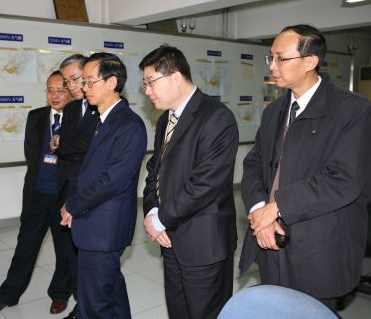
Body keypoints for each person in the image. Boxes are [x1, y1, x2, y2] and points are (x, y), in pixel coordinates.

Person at [239, 24, 371, 311]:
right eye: (270, 58)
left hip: (319, 248)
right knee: (276, 311)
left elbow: (343, 180)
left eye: (280, 58)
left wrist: (276, 207)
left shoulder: (353, 111)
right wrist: (259, 211)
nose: (272, 66)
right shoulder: (275, 110)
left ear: (310, 62)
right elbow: (253, 164)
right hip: (271, 240)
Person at [140, 45, 239, 319]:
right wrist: (151, 211)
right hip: (170, 238)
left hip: (203, 242)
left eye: (151, 82)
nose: (147, 91)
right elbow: (154, 171)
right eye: (144, 83)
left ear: (175, 77)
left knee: (205, 312)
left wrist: (161, 219)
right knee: (179, 310)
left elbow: (205, 184)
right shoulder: (165, 120)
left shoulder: (216, 117)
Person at [60, 52, 147, 319]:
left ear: (111, 82)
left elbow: (112, 180)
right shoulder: (102, 119)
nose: (83, 88)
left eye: (89, 81)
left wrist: (73, 205)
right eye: (82, 82)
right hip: (95, 222)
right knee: (110, 290)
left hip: (104, 227)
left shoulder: (129, 125)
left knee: (93, 304)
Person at [0, 71, 73, 315]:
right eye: (49, 90)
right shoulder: (36, 117)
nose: (54, 96)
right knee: (25, 247)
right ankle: (7, 295)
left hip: (64, 197)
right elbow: (30, 152)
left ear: (70, 92)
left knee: (65, 251)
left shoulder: (78, 119)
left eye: (60, 90)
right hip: (37, 195)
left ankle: (60, 293)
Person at [50, 54, 100, 319]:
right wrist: (67, 145)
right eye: (67, 81)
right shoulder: (69, 109)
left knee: (91, 259)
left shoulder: (102, 107)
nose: (71, 86)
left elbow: (89, 148)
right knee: (72, 254)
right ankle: (81, 305)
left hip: (91, 194)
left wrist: (64, 144)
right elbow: (66, 146)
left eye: (75, 79)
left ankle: (87, 308)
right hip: (67, 190)